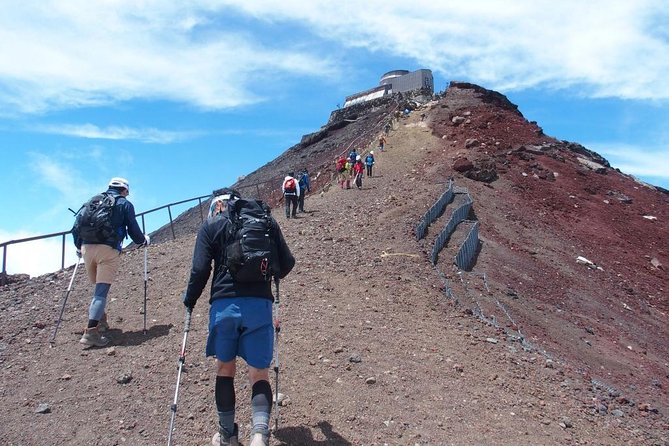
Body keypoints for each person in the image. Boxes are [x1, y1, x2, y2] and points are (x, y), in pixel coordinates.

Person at [182, 189, 295, 446]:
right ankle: (259, 435)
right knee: (259, 374)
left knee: (225, 370)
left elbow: (200, 269)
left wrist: (189, 300)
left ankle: (227, 436)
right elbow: (286, 263)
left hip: (224, 307)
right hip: (260, 307)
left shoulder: (211, 225)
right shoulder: (265, 222)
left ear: (217, 206)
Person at [72, 177, 149, 347]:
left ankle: (101, 322)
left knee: (96, 290)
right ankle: (91, 332)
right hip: (107, 250)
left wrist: (79, 246)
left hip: (86, 248)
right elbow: (133, 229)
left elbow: (76, 226)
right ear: (125, 190)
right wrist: (143, 240)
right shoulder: (124, 204)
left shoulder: (93, 201)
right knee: (101, 292)